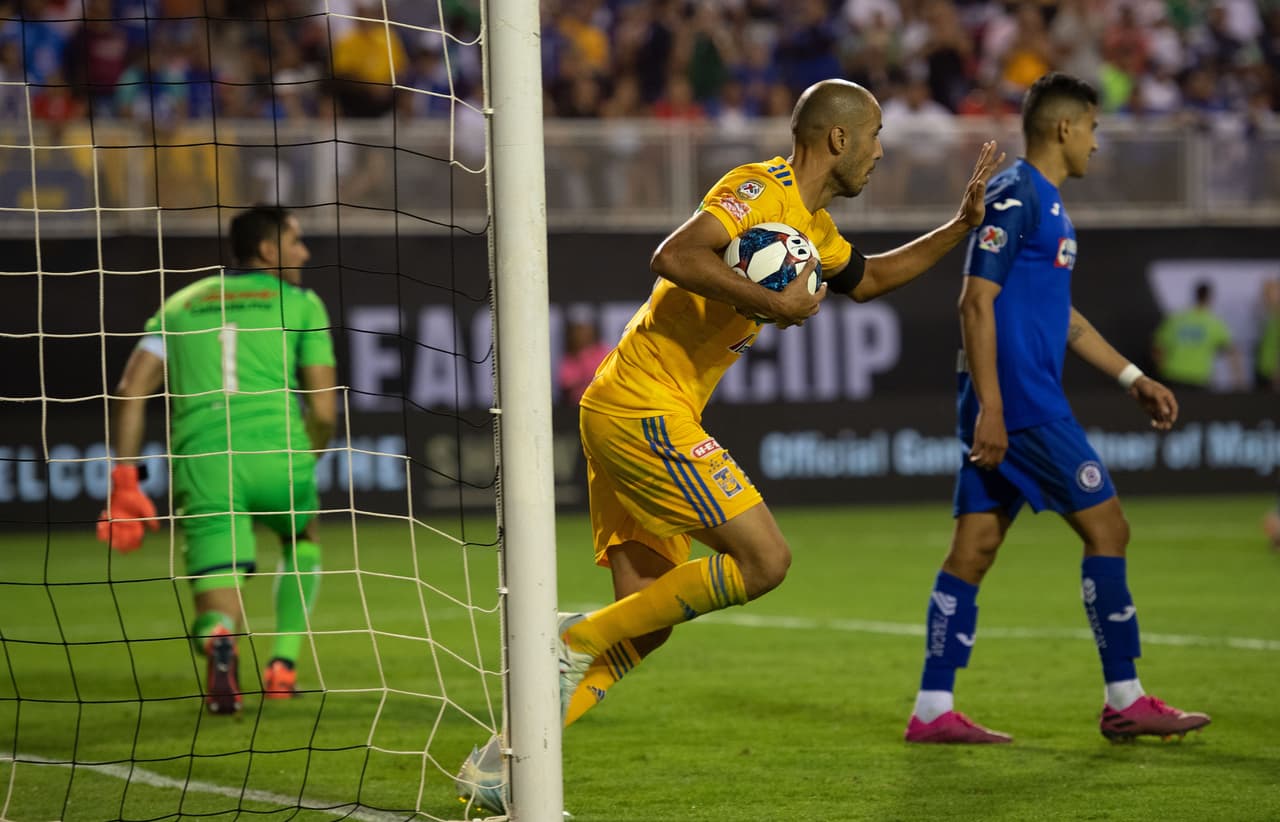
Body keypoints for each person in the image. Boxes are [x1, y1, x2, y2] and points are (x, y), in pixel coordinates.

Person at [456, 77, 1003, 814]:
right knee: (765, 560)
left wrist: (959, 226)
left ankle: (499, 767)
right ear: (838, 138)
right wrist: (775, 303)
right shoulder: (758, 189)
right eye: (875, 136)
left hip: (631, 408)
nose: (880, 152)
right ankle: (571, 638)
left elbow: (869, 279)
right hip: (642, 407)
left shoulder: (816, 228)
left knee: (644, 623)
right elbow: (674, 255)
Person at [903, 73, 1211, 745]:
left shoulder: (1049, 205)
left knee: (974, 548)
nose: (1096, 143)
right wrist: (993, 408)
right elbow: (974, 301)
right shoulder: (1016, 193)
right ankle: (1125, 697)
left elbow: (1061, 317)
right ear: (1066, 127)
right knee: (1109, 529)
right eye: (1094, 128)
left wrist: (1132, 376)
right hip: (1022, 402)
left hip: (1012, 399)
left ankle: (931, 708)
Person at [97, 206, 338, 715]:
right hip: (278, 454)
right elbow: (322, 410)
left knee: (218, 591)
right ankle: (283, 666)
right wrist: (307, 455)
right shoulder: (301, 304)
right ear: (268, 250)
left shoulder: (180, 305)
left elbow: (129, 391)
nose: (304, 252)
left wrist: (125, 479)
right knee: (301, 536)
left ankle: (220, 637)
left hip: (205, 463)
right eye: (296, 241)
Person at [1151, 280, 1244, 392]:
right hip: (1199, 377)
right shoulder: (1214, 323)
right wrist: (1238, 381)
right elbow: (1231, 352)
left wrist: (1160, 371)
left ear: (1195, 295)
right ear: (1210, 298)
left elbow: (1158, 348)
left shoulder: (1176, 319)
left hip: (1172, 375)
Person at [558, 319, 610, 405]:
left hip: (602, 403)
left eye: (585, 330)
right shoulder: (570, 356)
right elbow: (566, 383)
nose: (581, 334)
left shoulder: (602, 350)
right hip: (576, 405)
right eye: (578, 330)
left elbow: (608, 378)